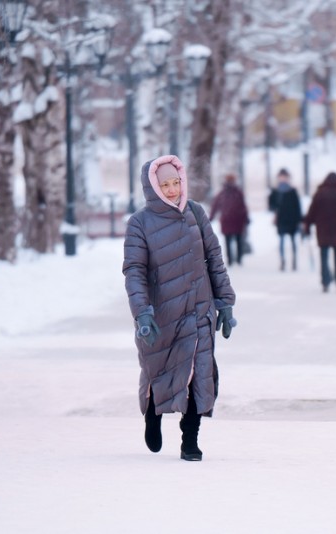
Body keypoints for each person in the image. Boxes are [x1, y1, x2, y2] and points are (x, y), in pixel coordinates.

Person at [122, 154, 237, 461]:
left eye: (175, 183)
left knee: (200, 374)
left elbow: (214, 259)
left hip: (199, 310)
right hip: (162, 314)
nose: (172, 190)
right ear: (153, 187)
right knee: (159, 370)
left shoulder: (195, 213)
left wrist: (224, 303)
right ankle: (153, 416)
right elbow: (134, 271)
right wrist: (142, 313)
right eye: (165, 185)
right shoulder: (140, 223)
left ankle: (190, 440)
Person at [209, 173, 250, 266]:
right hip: (236, 220)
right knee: (237, 240)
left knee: (229, 240)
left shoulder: (223, 193)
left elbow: (215, 206)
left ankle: (231, 260)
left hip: (228, 220)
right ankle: (238, 259)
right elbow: (243, 206)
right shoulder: (237, 192)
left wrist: (211, 217)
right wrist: (246, 218)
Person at [268, 168, 303, 271]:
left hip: (292, 220)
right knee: (282, 242)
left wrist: (299, 220)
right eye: (281, 177)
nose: (283, 179)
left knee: (293, 242)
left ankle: (294, 261)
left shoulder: (293, 191)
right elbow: (271, 205)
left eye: (285, 177)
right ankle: (283, 261)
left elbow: (298, 207)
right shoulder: (275, 191)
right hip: (281, 220)